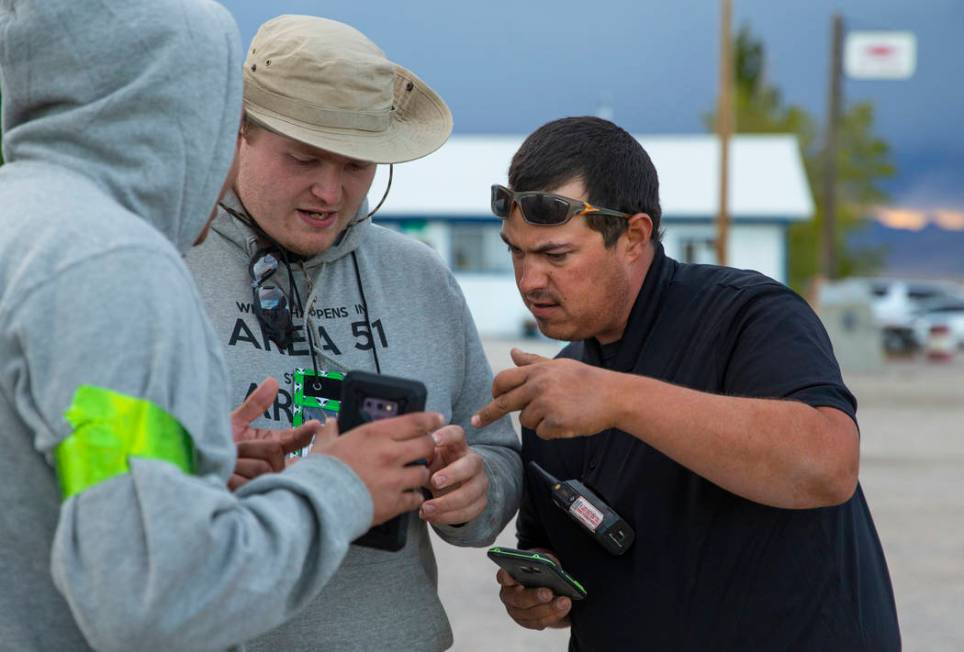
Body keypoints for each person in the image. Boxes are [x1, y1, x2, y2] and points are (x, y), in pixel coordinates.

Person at [0, 2, 442, 650]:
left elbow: (71, 463)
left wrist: (183, 466)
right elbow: (156, 601)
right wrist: (341, 485)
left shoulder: (27, 219)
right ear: (195, 109)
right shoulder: (118, 262)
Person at [474, 116, 900, 650]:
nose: (529, 280)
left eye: (555, 255)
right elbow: (561, 562)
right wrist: (540, 598)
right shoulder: (558, 386)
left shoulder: (748, 315)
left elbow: (827, 466)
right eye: (516, 251)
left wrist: (618, 397)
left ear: (633, 236)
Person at [185, 15, 521, 651]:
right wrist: (193, 461)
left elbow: (498, 454)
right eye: (303, 158)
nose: (330, 191)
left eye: (357, 164)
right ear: (237, 133)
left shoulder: (420, 277)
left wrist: (476, 489)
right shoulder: (161, 262)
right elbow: (69, 465)